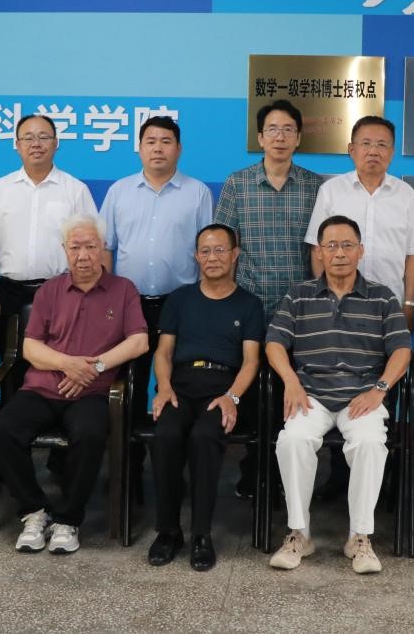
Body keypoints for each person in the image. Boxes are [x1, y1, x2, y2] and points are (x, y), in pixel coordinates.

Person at [0, 215, 149, 554]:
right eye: (75, 247)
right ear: (64, 250)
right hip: (43, 387)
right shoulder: (50, 290)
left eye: (90, 246)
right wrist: (67, 364)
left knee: (89, 435)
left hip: (92, 391)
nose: (83, 255)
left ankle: (68, 520)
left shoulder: (124, 290)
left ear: (102, 248)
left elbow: (139, 342)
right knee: (2, 430)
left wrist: (95, 366)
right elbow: (30, 348)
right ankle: (34, 511)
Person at [267, 215, 412, 575]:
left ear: (361, 250)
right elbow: (274, 343)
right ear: (318, 252)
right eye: (331, 246)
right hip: (310, 395)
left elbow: (401, 350)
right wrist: (290, 380)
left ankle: (359, 537)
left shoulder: (382, 296)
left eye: (347, 245)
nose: (340, 253)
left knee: (369, 443)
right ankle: (299, 533)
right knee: (292, 440)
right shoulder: (298, 295)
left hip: (362, 396)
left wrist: (380, 389)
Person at [303, 115, 414, 499]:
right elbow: (317, 249)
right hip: (339, 306)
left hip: (385, 311)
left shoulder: (405, 195)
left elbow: (413, 255)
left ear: (392, 151)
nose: (374, 151)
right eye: (366, 143)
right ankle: (340, 477)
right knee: (339, 381)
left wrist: (408, 303)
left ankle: (380, 478)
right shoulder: (332, 191)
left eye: (382, 144)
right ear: (351, 149)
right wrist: (324, 300)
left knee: (381, 388)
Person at [214, 98, 323, 498]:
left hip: (299, 308)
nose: (280, 137)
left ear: (299, 137)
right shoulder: (238, 183)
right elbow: (222, 246)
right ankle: (253, 467)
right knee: (250, 389)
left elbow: (321, 248)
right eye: (272, 130)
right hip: (249, 303)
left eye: (288, 130)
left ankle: (284, 473)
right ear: (260, 137)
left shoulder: (315, 186)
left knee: (290, 390)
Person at [99, 115, 213, 482]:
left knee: (178, 385)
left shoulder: (197, 193)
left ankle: (172, 469)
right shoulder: (119, 191)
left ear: (179, 149)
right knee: (128, 384)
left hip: (180, 305)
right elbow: (106, 249)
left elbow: (208, 252)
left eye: (166, 141)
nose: (158, 148)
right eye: (150, 141)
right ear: (139, 148)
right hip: (128, 304)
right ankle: (128, 469)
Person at [147, 224, 265, 572]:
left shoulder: (249, 304)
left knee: (203, 437)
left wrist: (232, 397)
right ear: (196, 256)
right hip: (181, 385)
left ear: (235, 254)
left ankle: (201, 534)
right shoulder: (179, 299)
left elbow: (251, 361)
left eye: (220, 250)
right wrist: (163, 386)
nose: (212, 257)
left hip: (223, 386)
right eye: (205, 251)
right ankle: (168, 531)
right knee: (165, 435)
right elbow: (163, 352)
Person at [0, 113, 97, 347]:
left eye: (43, 137)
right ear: (17, 145)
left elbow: (91, 247)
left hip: (62, 291)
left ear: (56, 143)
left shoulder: (75, 190)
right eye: (28, 138)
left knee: (59, 359)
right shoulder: (0, 189)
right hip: (11, 293)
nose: (36, 144)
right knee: (13, 360)